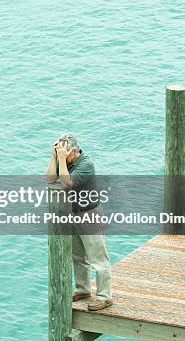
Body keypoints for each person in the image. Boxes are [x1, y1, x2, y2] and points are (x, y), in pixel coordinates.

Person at [45, 132, 113, 311]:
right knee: (78, 255)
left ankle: (105, 296)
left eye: (64, 153)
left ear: (74, 150)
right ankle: (83, 289)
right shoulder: (64, 160)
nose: (62, 156)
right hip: (72, 213)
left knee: (98, 258)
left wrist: (61, 158)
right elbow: (50, 179)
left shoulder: (87, 164)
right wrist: (55, 157)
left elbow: (66, 183)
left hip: (88, 214)